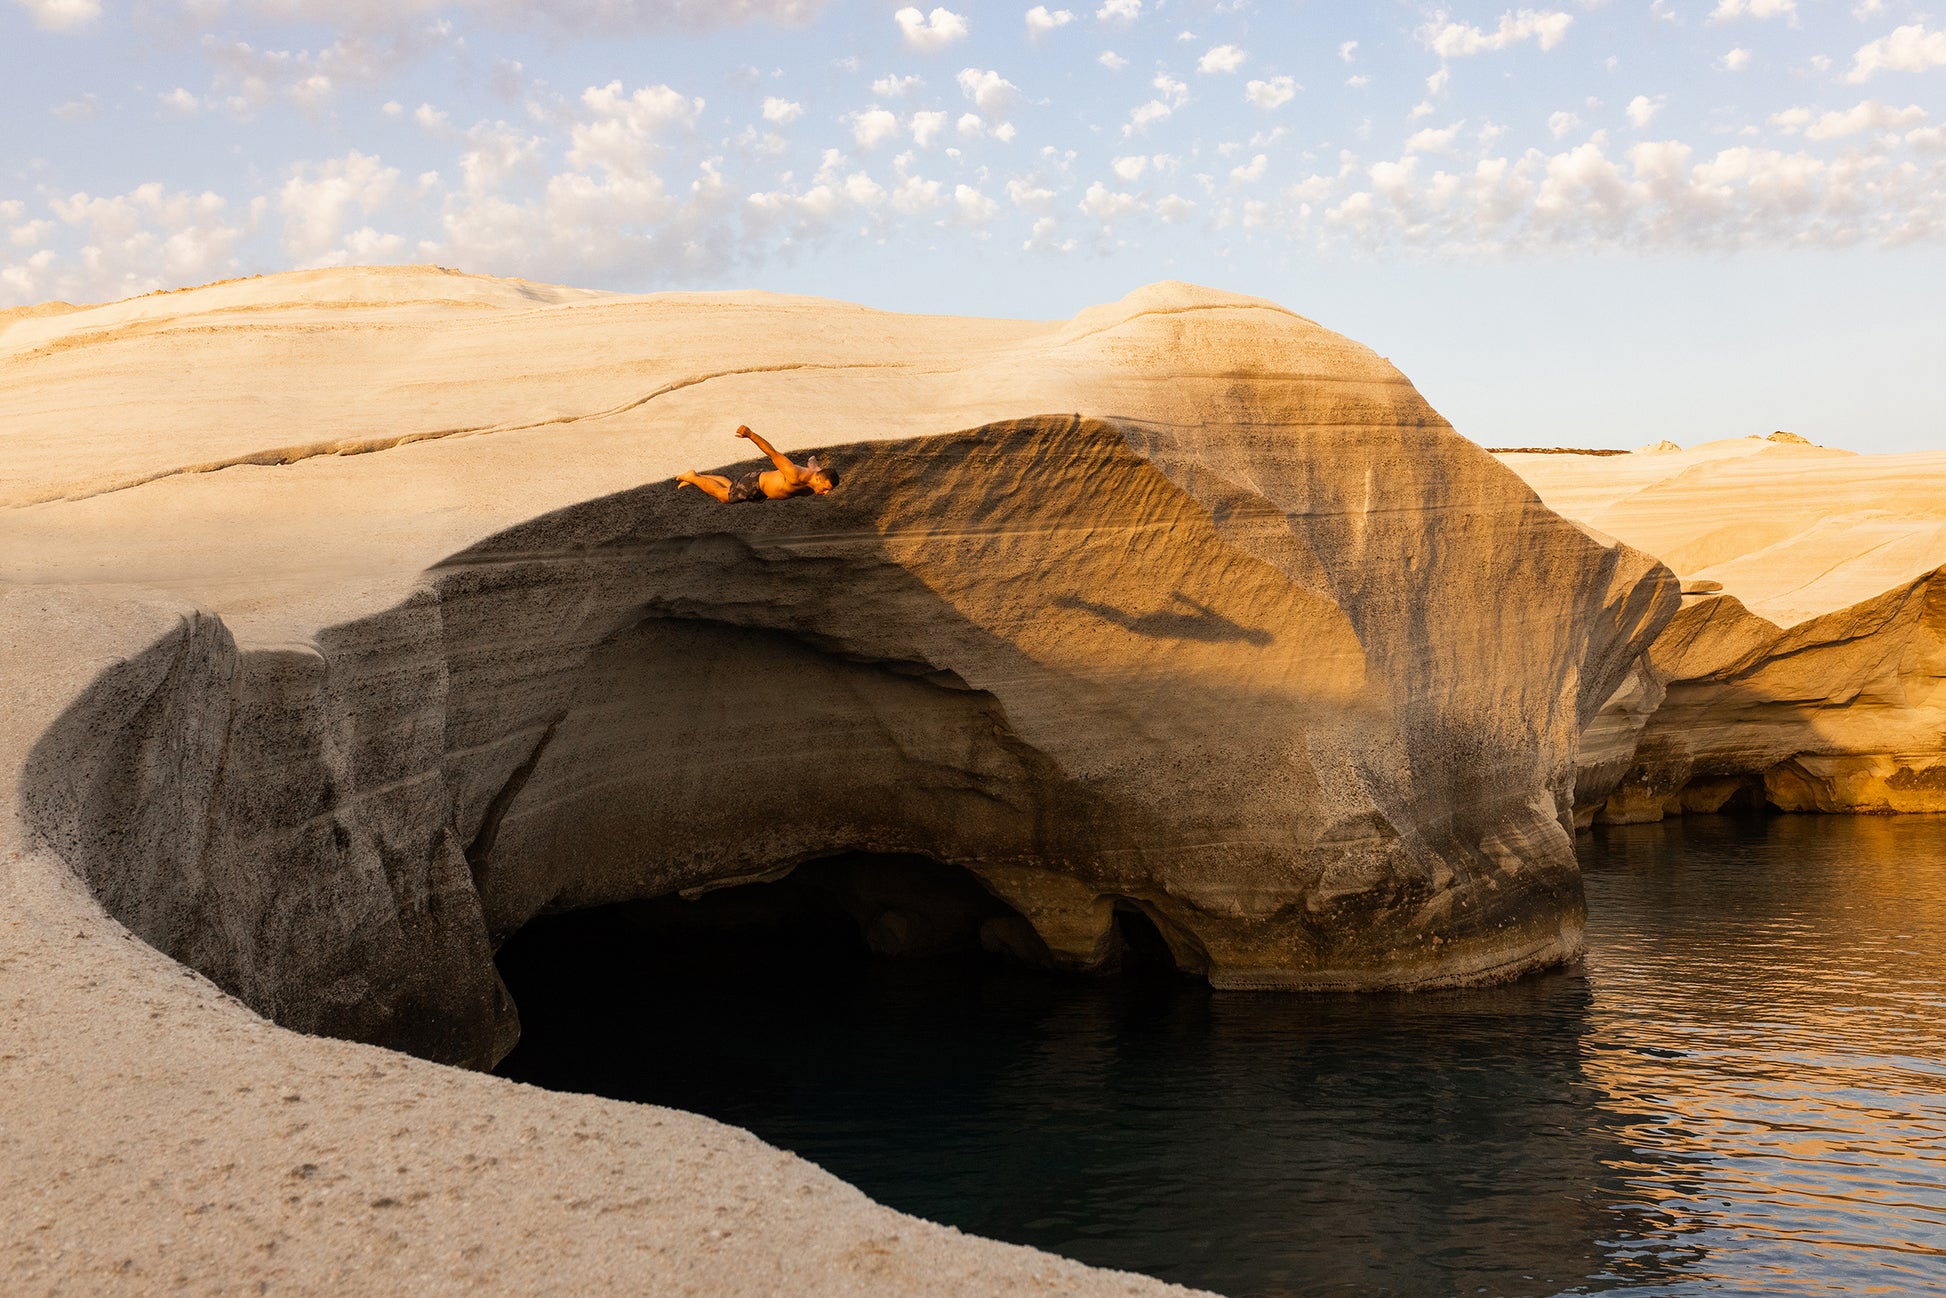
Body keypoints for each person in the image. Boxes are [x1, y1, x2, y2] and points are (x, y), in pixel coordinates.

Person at [676, 425, 836, 503]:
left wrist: (813, 458)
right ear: (817, 480)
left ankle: (699, 477)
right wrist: (750, 434)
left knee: (731, 488)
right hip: (756, 484)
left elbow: (813, 464)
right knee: (724, 497)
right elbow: (772, 453)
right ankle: (693, 477)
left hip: (763, 492)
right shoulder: (794, 473)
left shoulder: (817, 474)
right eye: (826, 489)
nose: (826, 493)